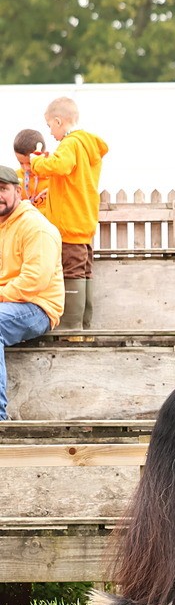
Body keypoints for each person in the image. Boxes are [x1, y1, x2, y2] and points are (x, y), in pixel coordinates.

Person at [29, 97, 109, 330]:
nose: (50, 132)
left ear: (58, 121)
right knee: (84, 271)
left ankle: (71, 329)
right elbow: (66, 167)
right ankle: (83, 325)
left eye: (50, 126)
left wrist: (35, 163)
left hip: (69, 225)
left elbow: (59, 167)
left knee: (71, 272)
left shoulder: (70, 143)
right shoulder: (87, 145)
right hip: (84, 222)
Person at [0, 165, 64, 421]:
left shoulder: (36, 227)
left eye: (2, 189)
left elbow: (34, 281)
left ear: (17, 191)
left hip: (37, 307)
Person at [13, 129, 48, 207]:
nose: (26, 168)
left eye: (30, 163)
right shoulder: (14, 178)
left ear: (44, 155)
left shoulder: (55, 178)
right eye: (21, 163)